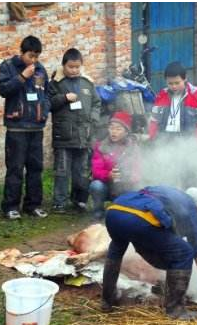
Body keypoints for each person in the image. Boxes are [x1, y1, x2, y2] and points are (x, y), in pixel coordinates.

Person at [101, 185, 197, 320]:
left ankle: (107, 299)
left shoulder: (167, 194)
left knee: (116, 249)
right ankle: (176, 310)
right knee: (185, 252)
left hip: (114, 211)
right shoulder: (192, 211)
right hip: (140, 219)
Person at [0, 35, 49, 220]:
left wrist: (45, 110)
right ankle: (11, 206)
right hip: (17, 128)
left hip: (36, 128)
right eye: (30, 56)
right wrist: (22, 77)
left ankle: (33, 205)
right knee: (15, 169)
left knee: (36, 169)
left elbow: (47, 94)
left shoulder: (41, 69)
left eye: (37, 56)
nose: (34, 60)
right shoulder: (8, 67)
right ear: (22, 53)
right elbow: (3, 90)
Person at [48, 48, 101, 214]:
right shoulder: (56, 84)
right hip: (63, 136)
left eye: (77, 67)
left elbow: (97, 103)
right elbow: (48, 104)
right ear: (64, 65)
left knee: (82, 171)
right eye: (71, 67)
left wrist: (93, 118)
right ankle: (59, 202)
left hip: (84, 136)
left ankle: (79, 200)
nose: (74, 70)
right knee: (62, 171)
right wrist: (64, 98)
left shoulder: (87, 83)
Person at [89, 111, 140, 220]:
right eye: (111, 128)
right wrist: (109, 175)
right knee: (96, 185)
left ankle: (127, 211)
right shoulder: (101, 146)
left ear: (126, 132)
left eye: (118, 129)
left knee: (136, 190)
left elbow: (137, 170)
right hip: (107, 185)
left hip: (126, 186)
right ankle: (98, 212)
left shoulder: (133, 148)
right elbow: (96, 170)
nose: (114, 132)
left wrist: (126, 177)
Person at [148, 61, 197, 141]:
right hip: (164, 142)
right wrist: (153, 140)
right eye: (170, 83)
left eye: (177, 83)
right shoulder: (161, 96)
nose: (174, 86)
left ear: (185, 79)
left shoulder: (196, 96)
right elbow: (154, 121)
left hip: (188, 143)